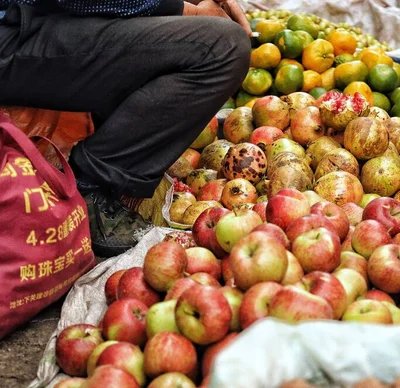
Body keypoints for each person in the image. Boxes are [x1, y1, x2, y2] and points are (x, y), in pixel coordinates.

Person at [0, 0, 251, 257]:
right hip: (11, 30)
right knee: (222, 47)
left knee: (191, 35)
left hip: (33, 18)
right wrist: (188, 9)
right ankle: (90, 188)